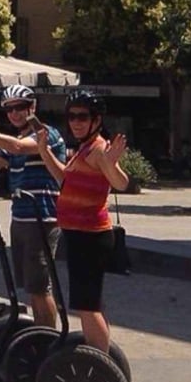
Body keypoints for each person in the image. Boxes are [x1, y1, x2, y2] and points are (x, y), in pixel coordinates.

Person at [0, 84, 67, 327]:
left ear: (33, 107)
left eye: (20, 107)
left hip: (43, 218)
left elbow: (18, 148)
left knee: (41, 287)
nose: (15, 113)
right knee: (32, 287)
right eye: (9, 109)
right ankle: (39, 333)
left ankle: (48, 336)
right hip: (20, 219)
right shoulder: (15, 140)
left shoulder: (45, 134)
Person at [37, 90, 128, 355]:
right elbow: (64, 179)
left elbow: (120, 182)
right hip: (79, 235)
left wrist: (111, 164)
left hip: (90, 236)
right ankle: (102, 359)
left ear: (96, 120)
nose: (75, 122)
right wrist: (43, 150)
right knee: (90, 304)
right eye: (72, 116)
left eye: (82, 117)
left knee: (87, 305)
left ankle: (101, 365)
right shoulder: (83, 149)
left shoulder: (99, 149)